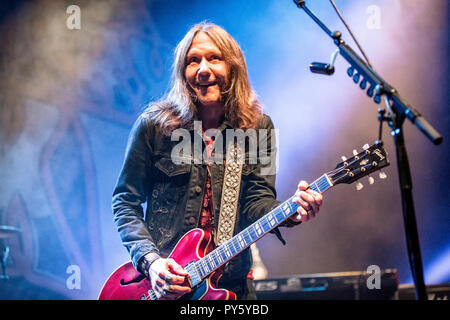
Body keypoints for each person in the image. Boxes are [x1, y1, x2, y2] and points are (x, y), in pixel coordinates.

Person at [112, 22, 323, 300]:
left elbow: (257, 203)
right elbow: (125, 201)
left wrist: (292, 211)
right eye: (193, 61)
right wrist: (152, 262)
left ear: (233, 67)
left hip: (231, 287)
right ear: (182, 72)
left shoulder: (258, 128)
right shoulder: (154, 125)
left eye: (214, 58)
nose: (203, 69)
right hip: (161, 287)